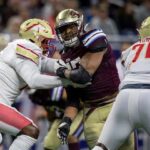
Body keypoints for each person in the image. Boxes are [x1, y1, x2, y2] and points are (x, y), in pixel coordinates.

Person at [55, 8, 135, 149]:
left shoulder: (95, 37)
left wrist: (63, 72)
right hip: (92, 112)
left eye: (71, 27)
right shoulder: (65, 57)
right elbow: (73, 98)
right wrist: (66, 121)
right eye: (63, 29)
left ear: (79, 24)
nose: (67, 32)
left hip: (116, 106)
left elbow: (84, 76)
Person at [0, 18, 84, 150]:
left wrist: (75, 65)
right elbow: (34, 80)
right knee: (30, 131)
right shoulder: (24, 46)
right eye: (45, 40)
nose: (47, 44)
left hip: (2, 104)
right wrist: (67, 79)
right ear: (34, 38)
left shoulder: (24, 51)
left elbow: (51, 64)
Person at [92, 16, 150, 150]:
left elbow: (125, 62)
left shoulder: (133, 47)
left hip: (124, 97)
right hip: (148, 94)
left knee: (101, 147)